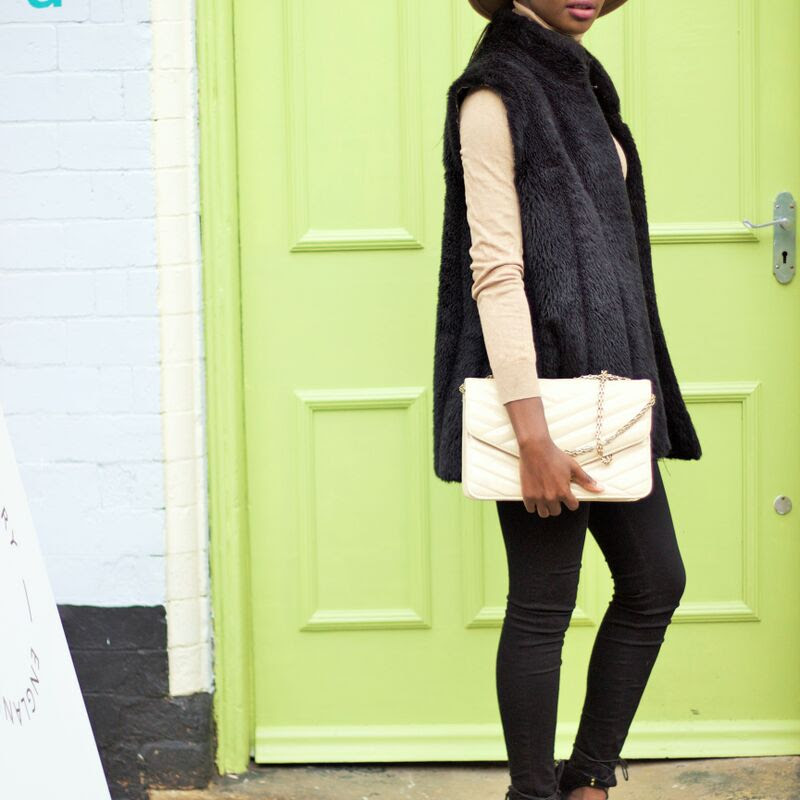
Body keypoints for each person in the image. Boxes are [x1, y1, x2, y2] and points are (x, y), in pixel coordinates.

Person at [431, 1, 703, 799]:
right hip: (543, 394)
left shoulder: (581, 81)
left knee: (656, 582)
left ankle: (587, 779)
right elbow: (496, 270)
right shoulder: (493, 94)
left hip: (610, 387)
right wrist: (532, 434)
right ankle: (532, 792)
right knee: (544, 605)